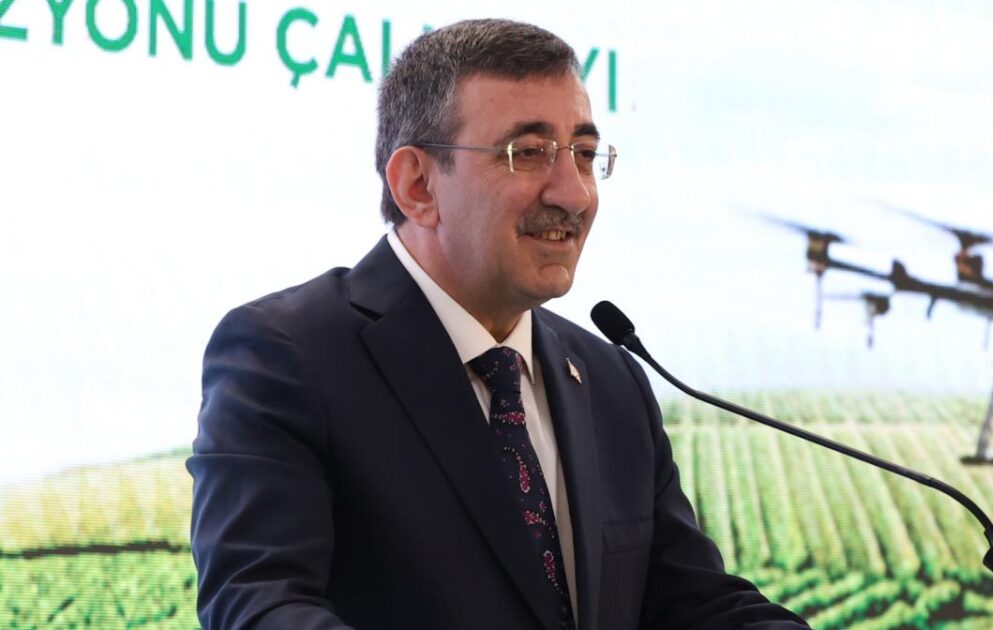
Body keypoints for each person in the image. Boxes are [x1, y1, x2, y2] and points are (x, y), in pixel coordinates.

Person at [188, 18, 810, 630]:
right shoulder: (288, 355)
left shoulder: (610, 379)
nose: (574, 193)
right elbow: (259, 605)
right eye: (529, 153)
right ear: (417, 185)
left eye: (584, 155)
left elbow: (690, 603)